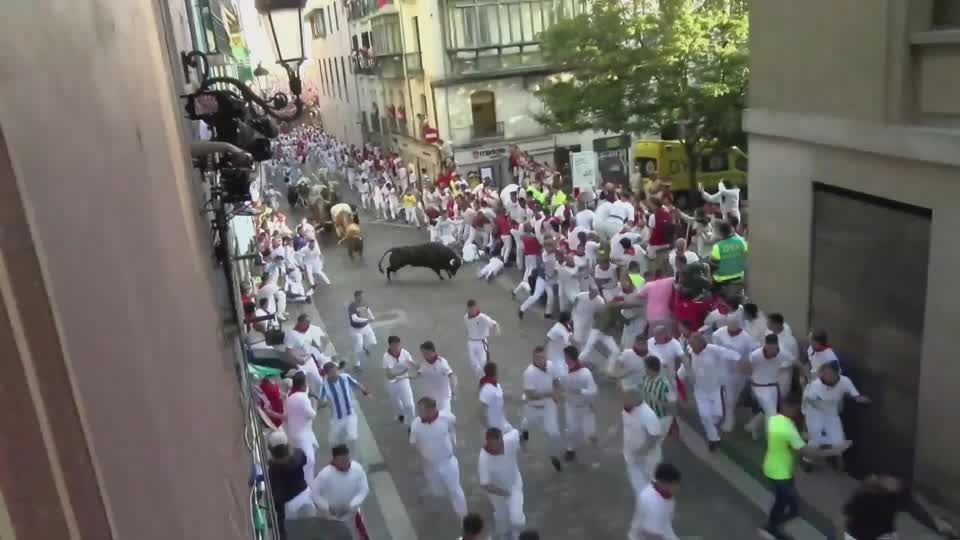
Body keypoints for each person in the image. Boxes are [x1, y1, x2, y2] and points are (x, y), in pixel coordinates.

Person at [760, 393, 851, 540]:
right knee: (783, 503)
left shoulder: (774, 419)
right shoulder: (788, 428)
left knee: (787, 501)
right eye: (796, 409)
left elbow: (784, 438)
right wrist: (836, 450)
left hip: (772, 466)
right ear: (788, 408)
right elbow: (811, 454)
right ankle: (770, 529)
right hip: (781, 474)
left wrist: (801, 436)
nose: (797, 412)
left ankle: (779, 520)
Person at [678, 333, 741, 451]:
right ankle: (713, 439)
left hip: (716, 389)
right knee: (704, 416)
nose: (692, 347)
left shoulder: (714, 350)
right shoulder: (690, 355)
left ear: (702, 343)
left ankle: (713, 425)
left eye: (694, 344)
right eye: (690, 345)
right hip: (700, 391)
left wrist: (738, 362)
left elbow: (733, 354)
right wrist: (678, 381)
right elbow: (681, 372)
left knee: (718, 414)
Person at [409, 397, 468, 521]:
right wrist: (421, 460)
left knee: (455, 490)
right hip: (429, 465)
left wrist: (453, 438)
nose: (418, 413)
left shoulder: (446, 417)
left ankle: (464, 518)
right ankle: (444, 494)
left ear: (431, 410)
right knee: (438, 491)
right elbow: (414, 443)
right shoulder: (415, 424)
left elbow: (454, 426)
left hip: (448, 462)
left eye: (421, 410)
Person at [802, 361, 869, 465]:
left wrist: (859, 399)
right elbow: (807, 403)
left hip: (832, 414)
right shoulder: (814, 386)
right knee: (815, 440)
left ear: (837, 374)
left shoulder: (845, 381)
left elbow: (855, 395)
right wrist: (806, 418)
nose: (827, 377)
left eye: (830, 374)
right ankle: (807, 460)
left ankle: (836, 461)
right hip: (815, 413)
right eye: (825, 374)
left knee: (839, 442)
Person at [310, 445, 371, 540]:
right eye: (342, 461)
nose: (346, 463)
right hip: (333, 516)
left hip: (352, 514)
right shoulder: (325, 474)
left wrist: (353, 504)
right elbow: (314, 494)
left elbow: (364, 489)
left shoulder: (357, 469)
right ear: (334, 460)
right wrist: (327, 507)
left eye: (347, 459)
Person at [520, 346, 563, 472]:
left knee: (553, 433)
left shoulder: (550, 365)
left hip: (549, 407)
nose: (542, 360)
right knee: (528, 422)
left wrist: (557, 392)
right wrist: (550, 394)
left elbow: (556, 381)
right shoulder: (529, 373)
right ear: (533, 358)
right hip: (533, 407)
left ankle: (553, 455)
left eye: (543, 357)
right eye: (538, 358)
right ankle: (523, 431)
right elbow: (530, 395)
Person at [744, 334, 796, 440]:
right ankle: (772, 439)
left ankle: (752, 426)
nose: (772, 351)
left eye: (774, 348)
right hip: (759, 387)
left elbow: (794, 361)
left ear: (777, 345)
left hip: (773, 386)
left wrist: (805, 373)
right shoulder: (755, 355)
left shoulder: (782, 352)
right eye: (770, 348)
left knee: (769, 410)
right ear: (765, 345)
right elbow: (745, 367)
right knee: (772, 413)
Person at [478, 427, 526, 540]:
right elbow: (485, 485)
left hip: (514, 485)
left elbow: (517, 433)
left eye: (500, 444)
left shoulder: (510, 439)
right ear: (488, 442)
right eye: (495, 446)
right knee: (502, 517)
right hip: (496, 492)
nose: (499, 448)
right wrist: (505, 493)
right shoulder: (484, 458)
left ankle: (518, 536)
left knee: (517, 520)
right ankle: (504, 535)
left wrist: (524, 448)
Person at [711, 317, 758, 432]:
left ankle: (728, 417)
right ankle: (722, 416)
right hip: (722, 369)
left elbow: (753, 353)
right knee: (721, 395)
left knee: (731, 398)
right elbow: (715, 347)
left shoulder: (746, 338)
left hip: (738, 372)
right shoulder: (719, 333)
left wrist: (747, 365)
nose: (732, 328)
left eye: (734, 325)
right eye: (729, 325)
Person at [317, 362, 371, 461]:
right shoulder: (324, 386)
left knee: (352, 437)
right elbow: (321, 401)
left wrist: (366, 393)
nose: (335, 374)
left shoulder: (345, 377)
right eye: (332, 372)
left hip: (350, 414)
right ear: (327, 374)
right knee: (333, 441)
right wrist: (323, 403)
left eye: (336, 371)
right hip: (336, 418)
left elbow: (357, 384)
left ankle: (354, 460)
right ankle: (337, 458)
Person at [267, 431, 315, 538]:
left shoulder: (274, 469)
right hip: (306, 496)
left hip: (289, 507)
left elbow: (278, 496)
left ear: (271, 450)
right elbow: (302, 457)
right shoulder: (298, 454)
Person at [623, 389, 665, 498]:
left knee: (649, 484)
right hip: (632, 457)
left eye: (627, 399)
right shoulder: (627, 409)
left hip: (647, 458)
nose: (623, 401)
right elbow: (625, 424)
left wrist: (641, 452)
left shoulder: (648, 415)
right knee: (640, 489)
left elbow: (654, 437)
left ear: (635, 400)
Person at [559, 345, 598, 462]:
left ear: (569, 358)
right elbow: (560, 383)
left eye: (565, 356)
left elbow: (593, 390)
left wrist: (580, 391)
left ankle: (594, 448)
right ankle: (570, 449)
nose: (564, 358)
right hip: (570, 405)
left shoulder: (585, 373)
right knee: (571, 429)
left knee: (589, 431)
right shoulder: (564, 369)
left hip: (584, 407)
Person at [840, 475, 902, 540]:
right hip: (856, 534)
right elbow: (844, 517)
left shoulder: (892, 500)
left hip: (876, 534)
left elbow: (889, 522)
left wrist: (893, 533)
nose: (895, 485)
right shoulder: (864, 496)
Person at [630, 462, 681, 540]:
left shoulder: (666, 494)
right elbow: (651, 535)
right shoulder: (652, 502)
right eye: (674, 484)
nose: (678, 488)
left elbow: (666, 523)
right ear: (663, 484)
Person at [283, 372, 319, 484]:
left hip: (297, 430)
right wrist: (315, 402)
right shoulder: (303, 399)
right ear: (303, 385)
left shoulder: (291, 394)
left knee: (314, 447)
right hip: (302, 434)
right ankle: (308, 484)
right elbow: (313, 415)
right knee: (310, 461)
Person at [638, 355, 678, 436]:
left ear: (650, 368)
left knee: (655, 441)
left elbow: (673, 405)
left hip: (660, 419)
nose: (643, 369)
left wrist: (659, 402)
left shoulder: (665, 385)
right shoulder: (645, 378)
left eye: (645, 367)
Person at [383, 336, 417, 426]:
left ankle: (412, 424)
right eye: (394, 346)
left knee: (409, 404)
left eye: (398, 345)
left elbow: (412, 363)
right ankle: (401, 414)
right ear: (390, 346)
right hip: (391, 383)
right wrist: (402, 372)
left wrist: (423, 367)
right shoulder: (386, 357)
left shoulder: (404, 353)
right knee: (396, 402)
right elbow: (389, 376)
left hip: (403, 381)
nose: (397, 348)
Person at [417, 341, 458, 414]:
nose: (423, 355)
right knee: (434, 417)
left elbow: (452, 376)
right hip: (430, 396)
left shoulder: (442, 363)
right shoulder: (424, 363)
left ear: (432, 352)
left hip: (443, 396)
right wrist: (406, 376)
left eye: (425, 353)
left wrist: (454, 390)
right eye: (422, 353)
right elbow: (419, 374)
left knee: (445, 416)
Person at [465, 299, 501, 376]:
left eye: (473, 309)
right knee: (474, 363)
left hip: (482, 342)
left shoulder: (482, 317)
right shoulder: (465, 317)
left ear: (476, 308)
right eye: (470, 309)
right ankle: (482, 378)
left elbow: (494, 323)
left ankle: (486, 378)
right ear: (468, 309)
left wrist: (497, 328)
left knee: (483, 362)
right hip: (471, 342)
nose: (472, 311)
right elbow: (468, 328)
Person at [479, 362, 513, 432]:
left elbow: (500, 397)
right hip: (494, 423)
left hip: (501, 418)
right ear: (495, 372)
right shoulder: (487, 388)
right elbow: (483, 408)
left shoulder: (496, 384)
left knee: (512, 432)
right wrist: (488, 425)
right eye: (497, 371)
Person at [347, 290, 377, 370]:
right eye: (360, 296)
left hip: (366, 327)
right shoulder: (352, 306)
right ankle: (357, 363)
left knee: (373, 342)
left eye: (363, 296)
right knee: (358, 347)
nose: (362, 298)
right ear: (356, 297)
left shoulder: (364, 302)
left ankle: (365, 347)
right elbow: (354, 319)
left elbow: (368, 310)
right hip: (356, 329)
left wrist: (372, 317)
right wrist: (366, 320)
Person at [544, 312, 573, 378]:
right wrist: (542, 348)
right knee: (556, 366)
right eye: (570, 318)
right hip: (555, 351)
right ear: (567, 320)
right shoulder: (557, 329)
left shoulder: (567, 326)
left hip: (562, 350)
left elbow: (569, 336)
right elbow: (548, 337)